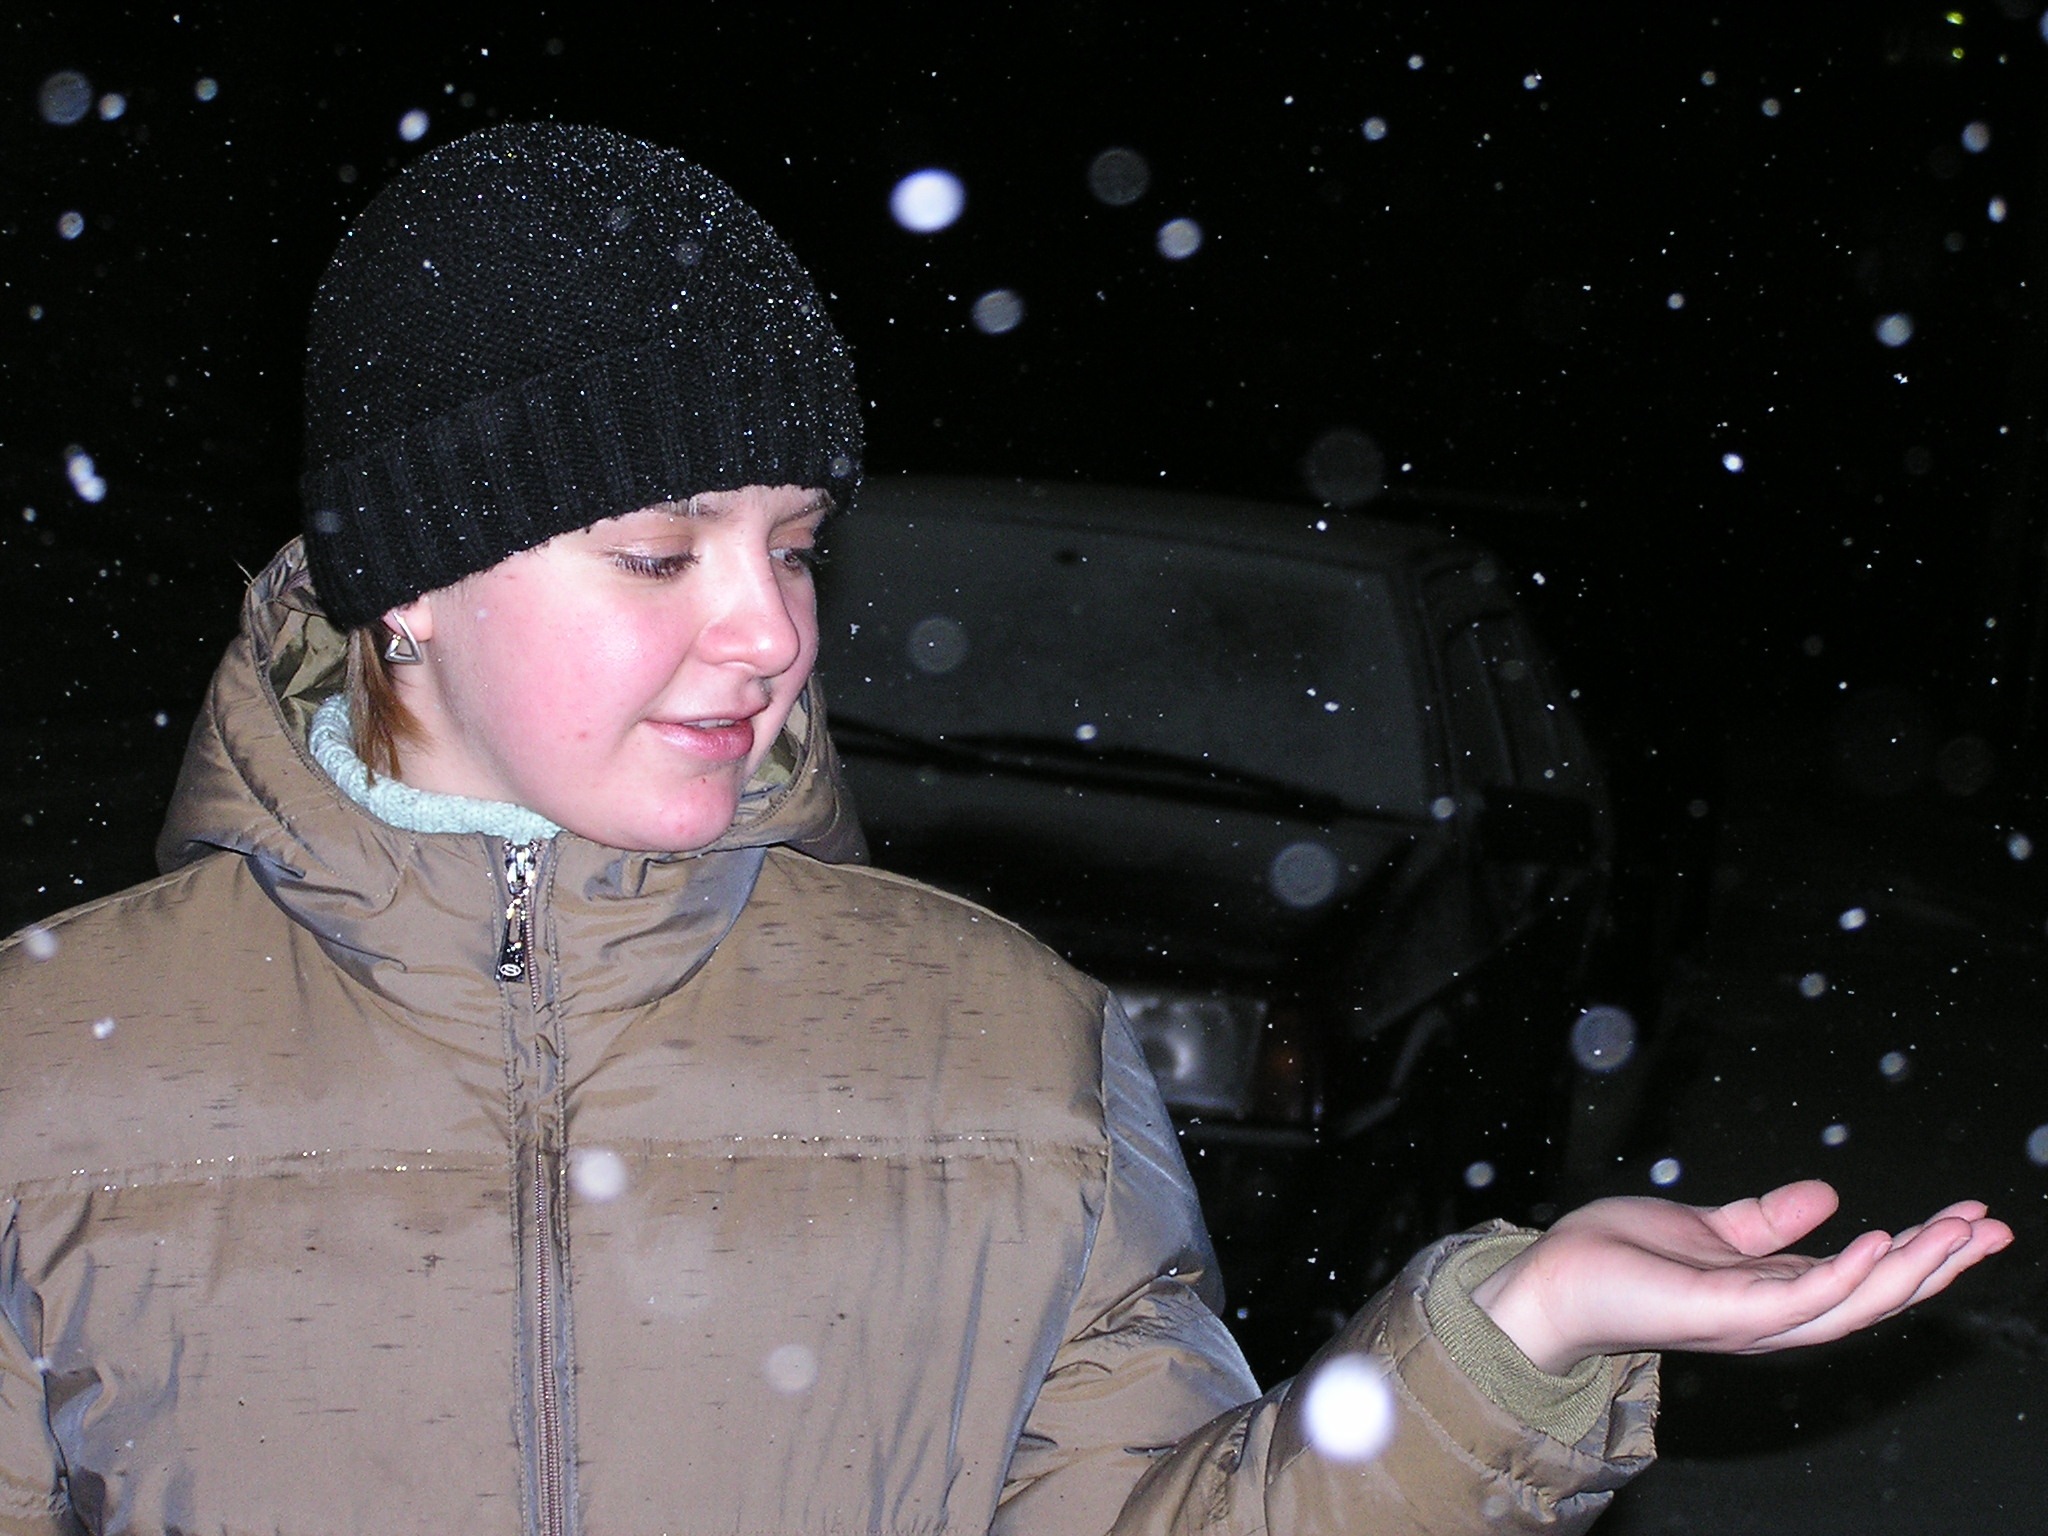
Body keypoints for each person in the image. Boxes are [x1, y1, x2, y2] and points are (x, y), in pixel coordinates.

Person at [0, 122, 2009, 1536]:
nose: (771, 633)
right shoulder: (45, 1071)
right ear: (406, 586)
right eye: (662, 550)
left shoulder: (998, 1041)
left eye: (797, 543)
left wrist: (1517, 1335)